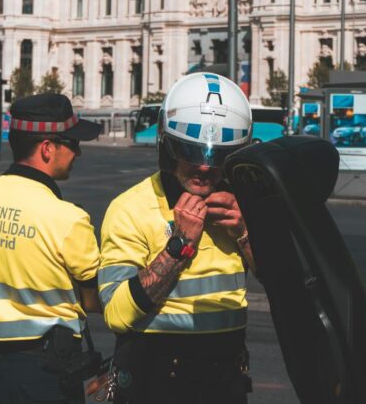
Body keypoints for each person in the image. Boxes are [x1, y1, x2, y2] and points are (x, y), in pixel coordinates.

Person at [99, 73, 255, 404]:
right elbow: (116, 314)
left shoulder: (241, 207)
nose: (204, 167)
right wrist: (180, 246)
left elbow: (285, 282)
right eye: (191, 152)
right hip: (153, 380)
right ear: (168, 147)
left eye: (219, 157)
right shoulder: (130, 208)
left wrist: (244, 233)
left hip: (224, 379)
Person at [0, 93, 103, 404]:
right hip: (45, 377)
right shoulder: (69, 219)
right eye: (72, 143)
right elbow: (94, 300)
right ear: (47, 148)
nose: (77, 152)